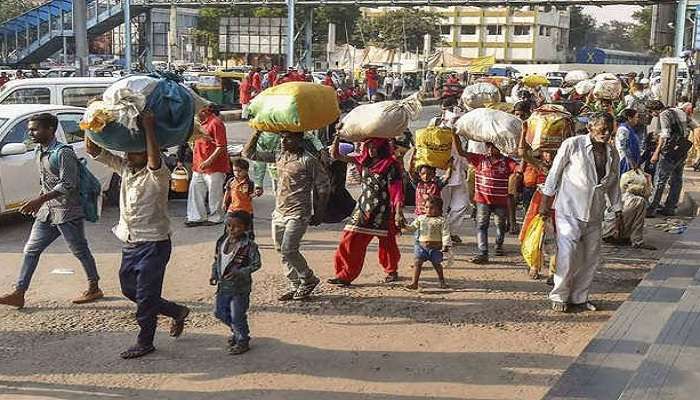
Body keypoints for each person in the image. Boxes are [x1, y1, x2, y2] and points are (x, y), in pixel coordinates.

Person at [86, 111, 190, 359]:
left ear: (146, 155)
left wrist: (149, 127)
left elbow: (154, 158)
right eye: (128, 152)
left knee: (145, 297)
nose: (128, 156)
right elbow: (93, 150)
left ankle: (145, 342)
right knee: (129, 290)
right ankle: (176, 311)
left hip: (154, 244)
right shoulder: (126, 170)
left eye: (135, 152)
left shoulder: (158, 175)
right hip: (130, 242)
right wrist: (91, 120)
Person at [0, 113, 103, 309]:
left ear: (50, 130)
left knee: (79, 250)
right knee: (31, 250)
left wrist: (38, 200)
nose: (31, 133)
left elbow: (68, 184)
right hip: (47, 211)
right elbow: (46, 181)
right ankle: (19, 293)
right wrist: (40, 202)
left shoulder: (63, 153)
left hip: (67, 210)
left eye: (35, 129)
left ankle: (94, 287)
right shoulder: (40, 150)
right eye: (30, 129)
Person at [540, 112, 622, 313]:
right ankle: (559, 295)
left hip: (595, 211)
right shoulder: (573, 144)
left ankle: (579, 297)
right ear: (590, 128)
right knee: (567, 255)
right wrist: (544, 203)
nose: (605, 135)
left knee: (591, 258)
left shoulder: (612, 152)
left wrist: (617, 210)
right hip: (569, 208)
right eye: (602, 130)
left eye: (609, 132)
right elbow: (554, 174)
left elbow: (613, 183)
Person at [244, 131, 330, 301]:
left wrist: (320, 213)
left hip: (298, 213)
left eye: (288, 137)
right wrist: (256, 132)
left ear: (299, 140)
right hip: (279, 211)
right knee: (281, 251)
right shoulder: (279, 155)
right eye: (282, 137)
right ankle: (295, 285)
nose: (283, 140)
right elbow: (249, 153)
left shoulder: (308, 160)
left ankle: (308, 278)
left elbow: (323, 187)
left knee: (289, 249)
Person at [328, 137, 404, 286]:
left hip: (383, 211)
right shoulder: (362, 161)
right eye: (368, 147)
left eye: (374, 147)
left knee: (388, 244)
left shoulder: (390, 165)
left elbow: (396, 189)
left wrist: (398, 212)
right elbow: (335, 155)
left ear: (381, 148)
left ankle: (391, 270)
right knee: (349, 239)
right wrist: (337, 135)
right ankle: (345, 275)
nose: (371, 150)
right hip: (363, 209)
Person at [210, 211, 261, 355]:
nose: (232, 230)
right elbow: (217, 260)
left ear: (245, 228)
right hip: (223, 285)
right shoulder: (222, 242)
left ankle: (242, 340)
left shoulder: (249, 246)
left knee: (238, 315)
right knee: (219, 313)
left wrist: (240, 272)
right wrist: (214, 274)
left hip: (240, 288)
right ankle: (238, 331)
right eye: (229, 226)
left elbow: (256, 264)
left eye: (237, 227)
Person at [466, 143, 519, 264]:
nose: (490, 149)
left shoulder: (507, 162)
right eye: (488, 146)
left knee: (500, 225)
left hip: (500, 201)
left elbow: (519, 168)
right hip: (482, 200)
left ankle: (498, 245)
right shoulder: (480, 159)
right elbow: (461, 152)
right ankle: (483, 252)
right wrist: (454, 134)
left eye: (494, 146)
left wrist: (523, 153)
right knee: (481, 225)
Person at [647, 100, 699, 217]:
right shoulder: (679, 111)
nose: (652, 115)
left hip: (669, 152)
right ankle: (670, 208)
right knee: (676, 179)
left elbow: (665, 135)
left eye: (651, 113)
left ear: (654, 111)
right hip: (682, 150)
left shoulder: (663, 114)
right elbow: (695, 126)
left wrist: (656, 152)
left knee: (660, 180)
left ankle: (651, 209)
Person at [185, 104, 230, 227]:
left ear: (203, 111)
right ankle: (196, 216)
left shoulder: (216, 123)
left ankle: (216, 217)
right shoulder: (198, 123)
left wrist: (209, 161)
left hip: (214, 166)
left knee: (214, 193)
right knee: (195, 190)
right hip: (199, 164)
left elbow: (221, 146)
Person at [403, 197, 450, 290]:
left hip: (436, 248)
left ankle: (442, 281)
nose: (428, 210)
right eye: (426, 207)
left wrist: (445, 245)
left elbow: (445, 234)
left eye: (432, 208)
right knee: (417, 263)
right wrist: (403, 225)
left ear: (439, 209)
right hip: (421, 247)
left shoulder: (442, 220)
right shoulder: (421, 218)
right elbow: (412, 228)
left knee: (437, 265)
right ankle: (414, 283)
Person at [224, 158, 255, 238]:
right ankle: (227, 239)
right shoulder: (231, 181)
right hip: (232, 208)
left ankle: (249, 241)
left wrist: (256, 194)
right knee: (228, 225)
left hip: (246, 210)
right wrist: (224, 202)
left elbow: (250, 196)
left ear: (246, 171)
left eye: (240, 171)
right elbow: (227, 192)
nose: (237, 173)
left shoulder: (249, 183)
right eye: (235, 171)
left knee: (247, 228)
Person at [616, 109, 642, 175]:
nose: (637, 119)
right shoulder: (623, 130)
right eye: (636, 117)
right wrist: (632, 163)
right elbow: (623, 148)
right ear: (629, 118)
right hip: (626, 162)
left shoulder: (629, 129)